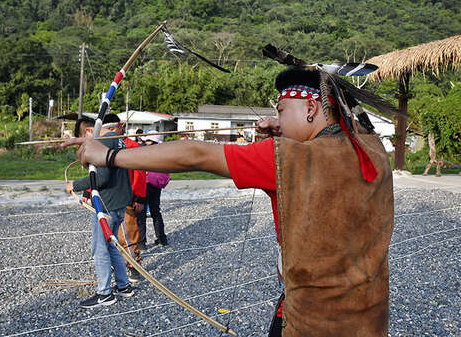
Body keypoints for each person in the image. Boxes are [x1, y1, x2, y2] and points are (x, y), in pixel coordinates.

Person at [62, 67, 394, 336]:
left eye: (280, 110)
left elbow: (194, 153)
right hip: (368, 318)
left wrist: (108, 154)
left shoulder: (287, 158)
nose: (275, 117)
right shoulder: (372, 152)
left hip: (309, 321)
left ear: (310, 108)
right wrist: (283, 133)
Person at [65, 115, 134, 308]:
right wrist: (88, 191)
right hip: (119, 203)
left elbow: (101, 178)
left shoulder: (103, 141)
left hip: (107, 206)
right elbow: (104, 173)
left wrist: (75, 185)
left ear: (89, 131)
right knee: (111, 245)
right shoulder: (118, 140)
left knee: (100, 248)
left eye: (83, 136)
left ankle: (105, 294)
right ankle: (124, 286)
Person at [102, 115, 147, 283]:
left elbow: (140, 173)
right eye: (107, 130)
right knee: (108, 233)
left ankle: (134, 265)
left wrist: (140, 197)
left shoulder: (131, 146)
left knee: (128, 234)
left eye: (114, 129)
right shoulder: (100, 146)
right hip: (106, 197)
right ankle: (116, 263)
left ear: (120, 128)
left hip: (126, 197)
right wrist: (88, 192)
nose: (111, 133)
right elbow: (95, 170)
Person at [140, 131, 170, 246]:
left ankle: (141, 242)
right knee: (156, 211)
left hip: (146, 183)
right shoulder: (164, 152)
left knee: (142, 213)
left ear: (152, 141)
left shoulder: (146, 151)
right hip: (157, 184)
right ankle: (162, 239)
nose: (145, 142)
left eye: (147, 140)